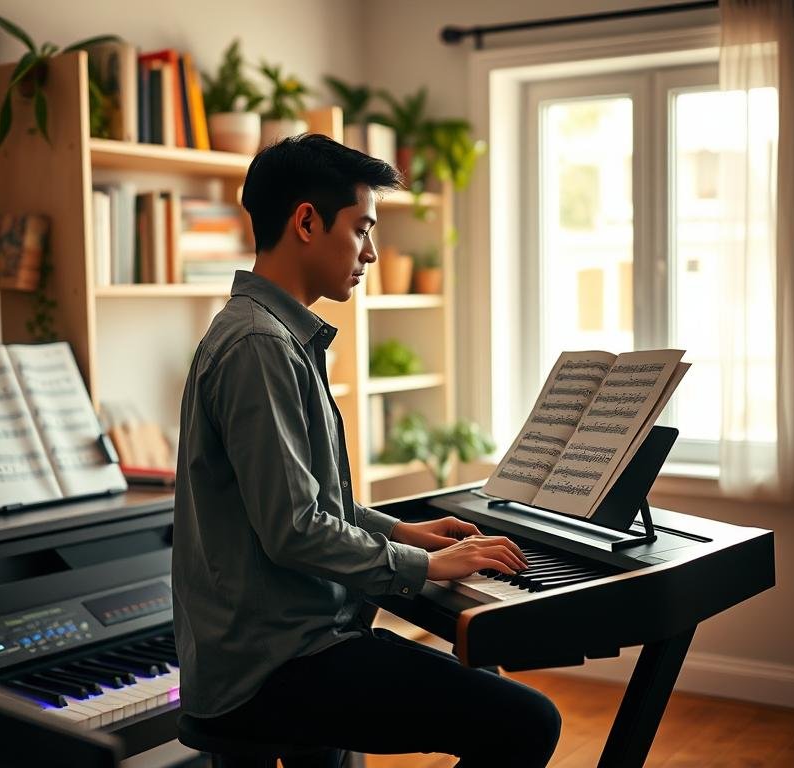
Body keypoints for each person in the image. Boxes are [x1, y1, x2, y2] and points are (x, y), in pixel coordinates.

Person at [172, 133, 561, 768]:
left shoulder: (270, 335)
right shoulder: (259, 346)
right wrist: (428, 566)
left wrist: (403, 530)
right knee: (527, 721)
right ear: (305, 221)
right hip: (273, 667)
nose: (373, 252)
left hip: (289, 647)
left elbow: (311, 501)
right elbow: (294, 530)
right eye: (362, 229)